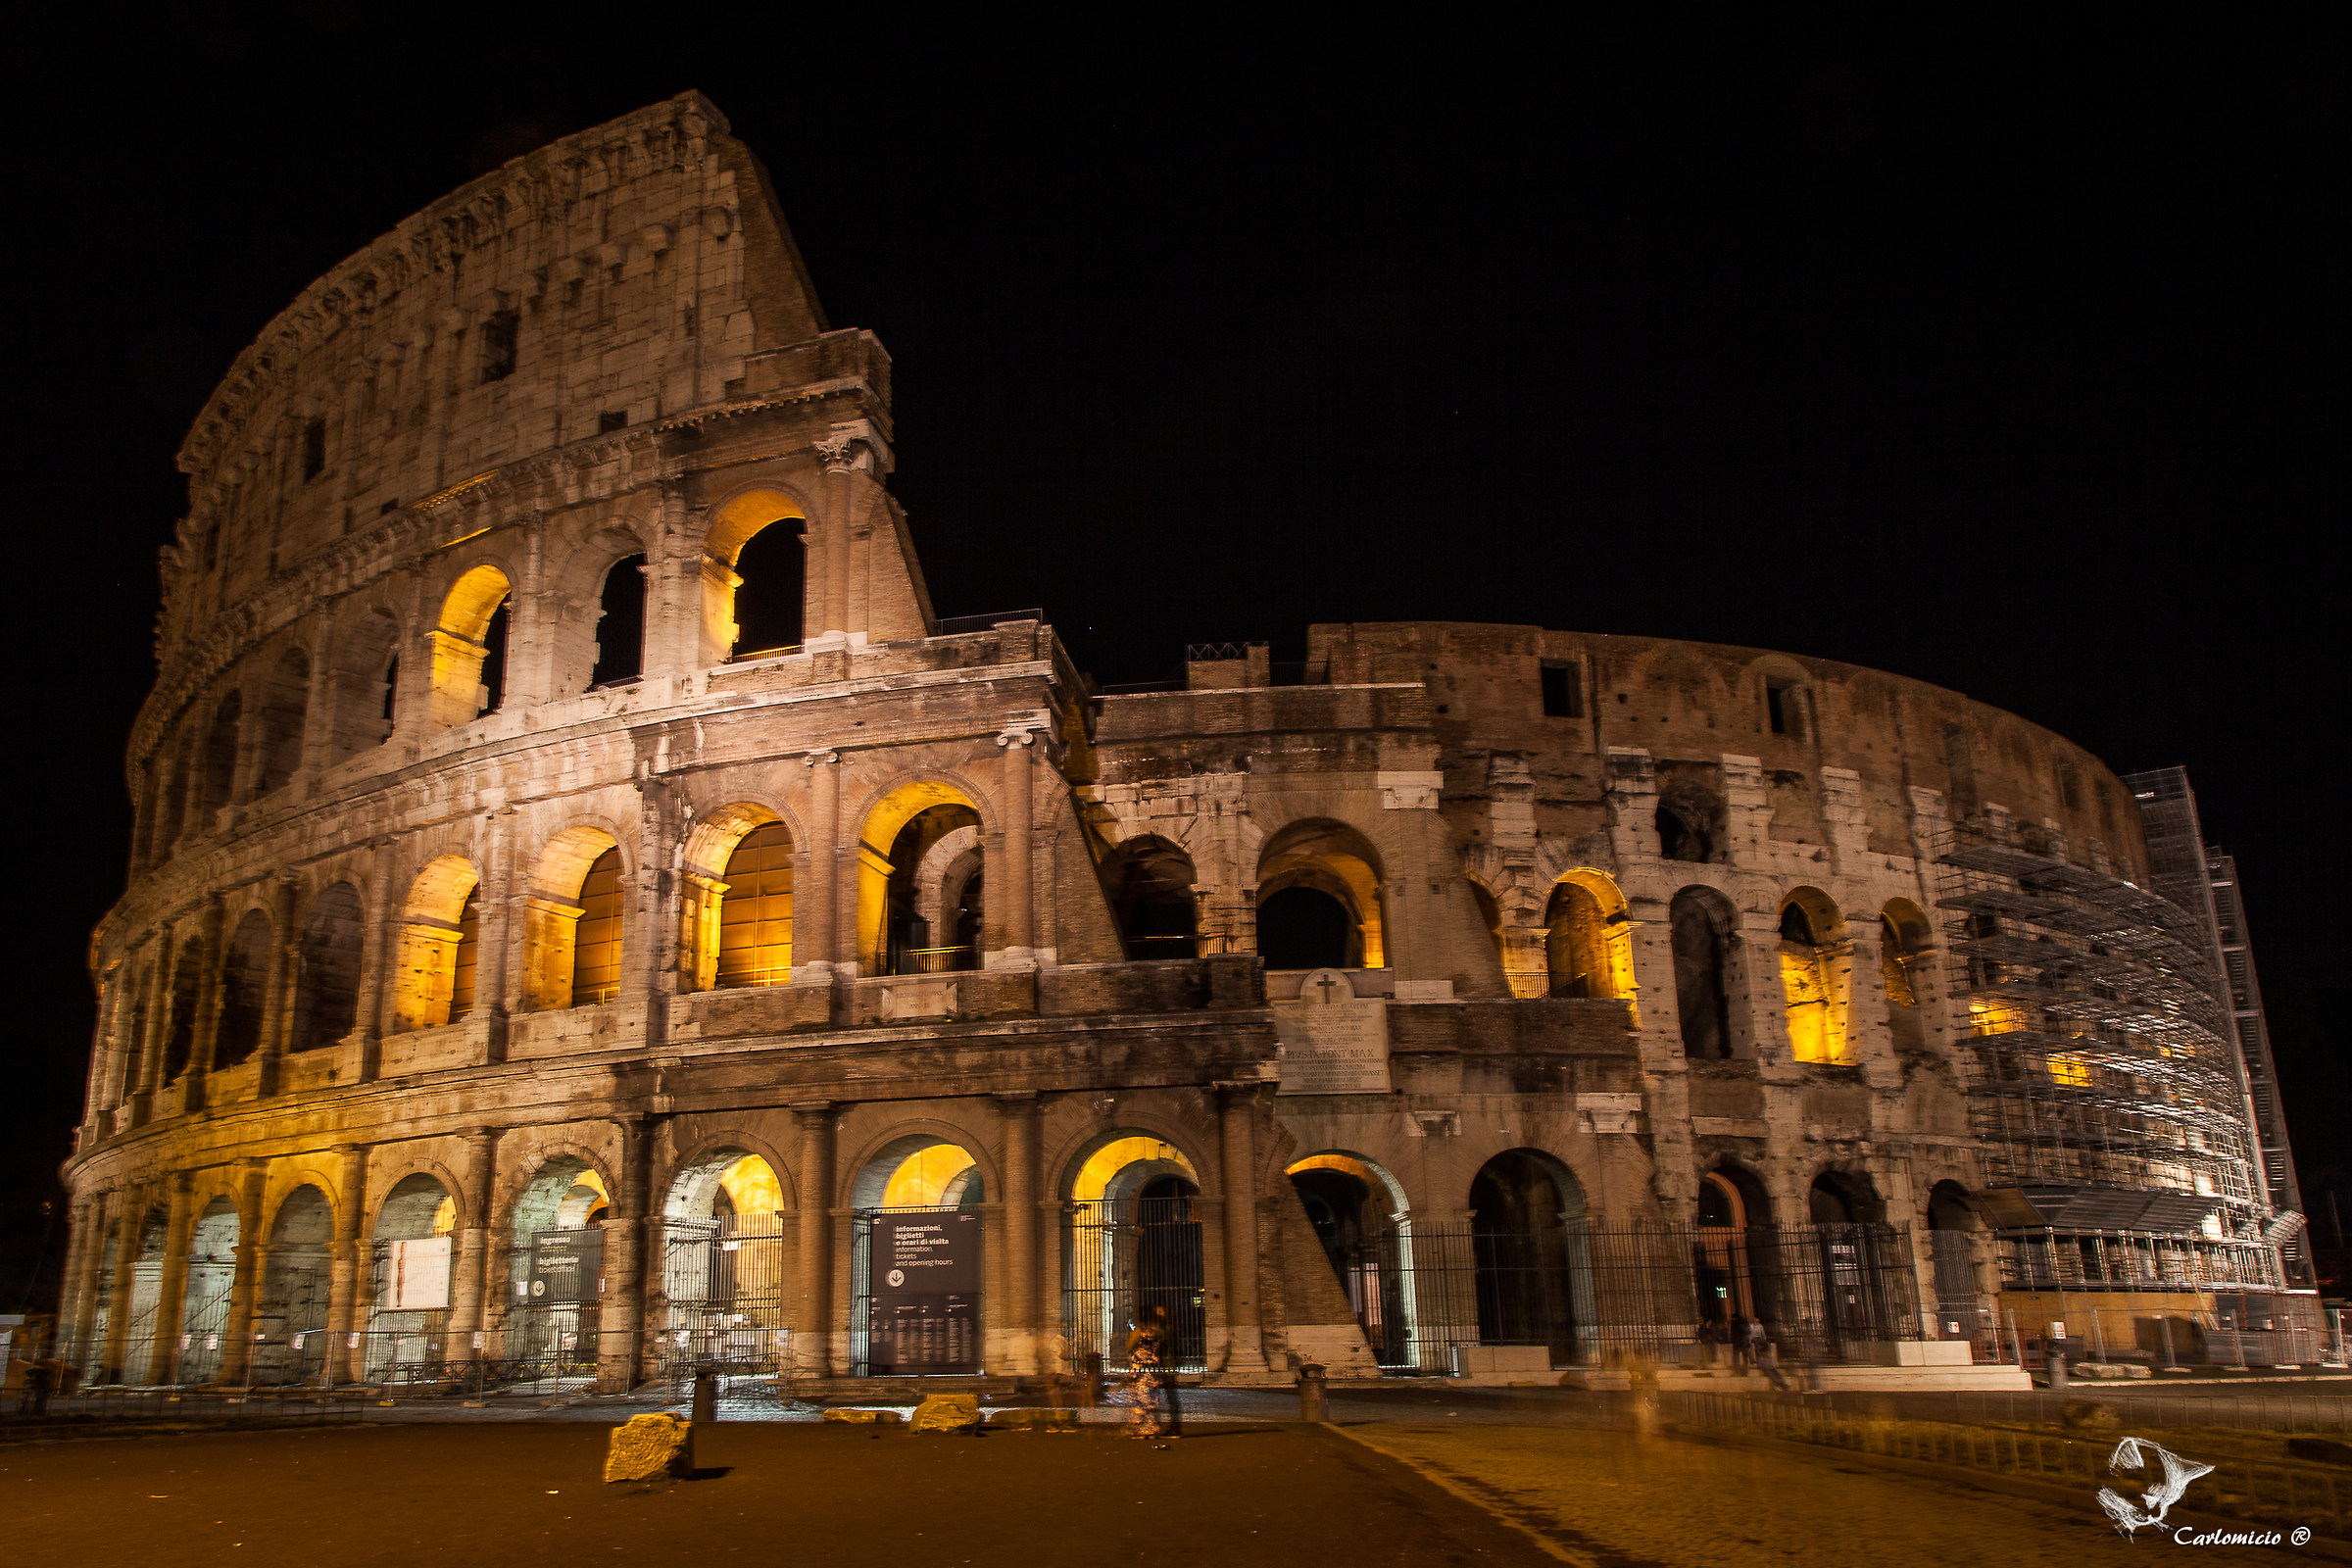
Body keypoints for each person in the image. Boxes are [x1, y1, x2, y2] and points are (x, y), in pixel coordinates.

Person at [1122, 1307, 1176, 1442]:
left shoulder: (1139, 1331)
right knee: (1151, 1398)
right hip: (1152, 1368)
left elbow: (1129, 1347)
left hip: (1139, 1368)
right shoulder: (1158, 1331)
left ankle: (1139, 1429)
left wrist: (1131, 1336)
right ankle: (1151, 1429)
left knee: (1139, 1399)